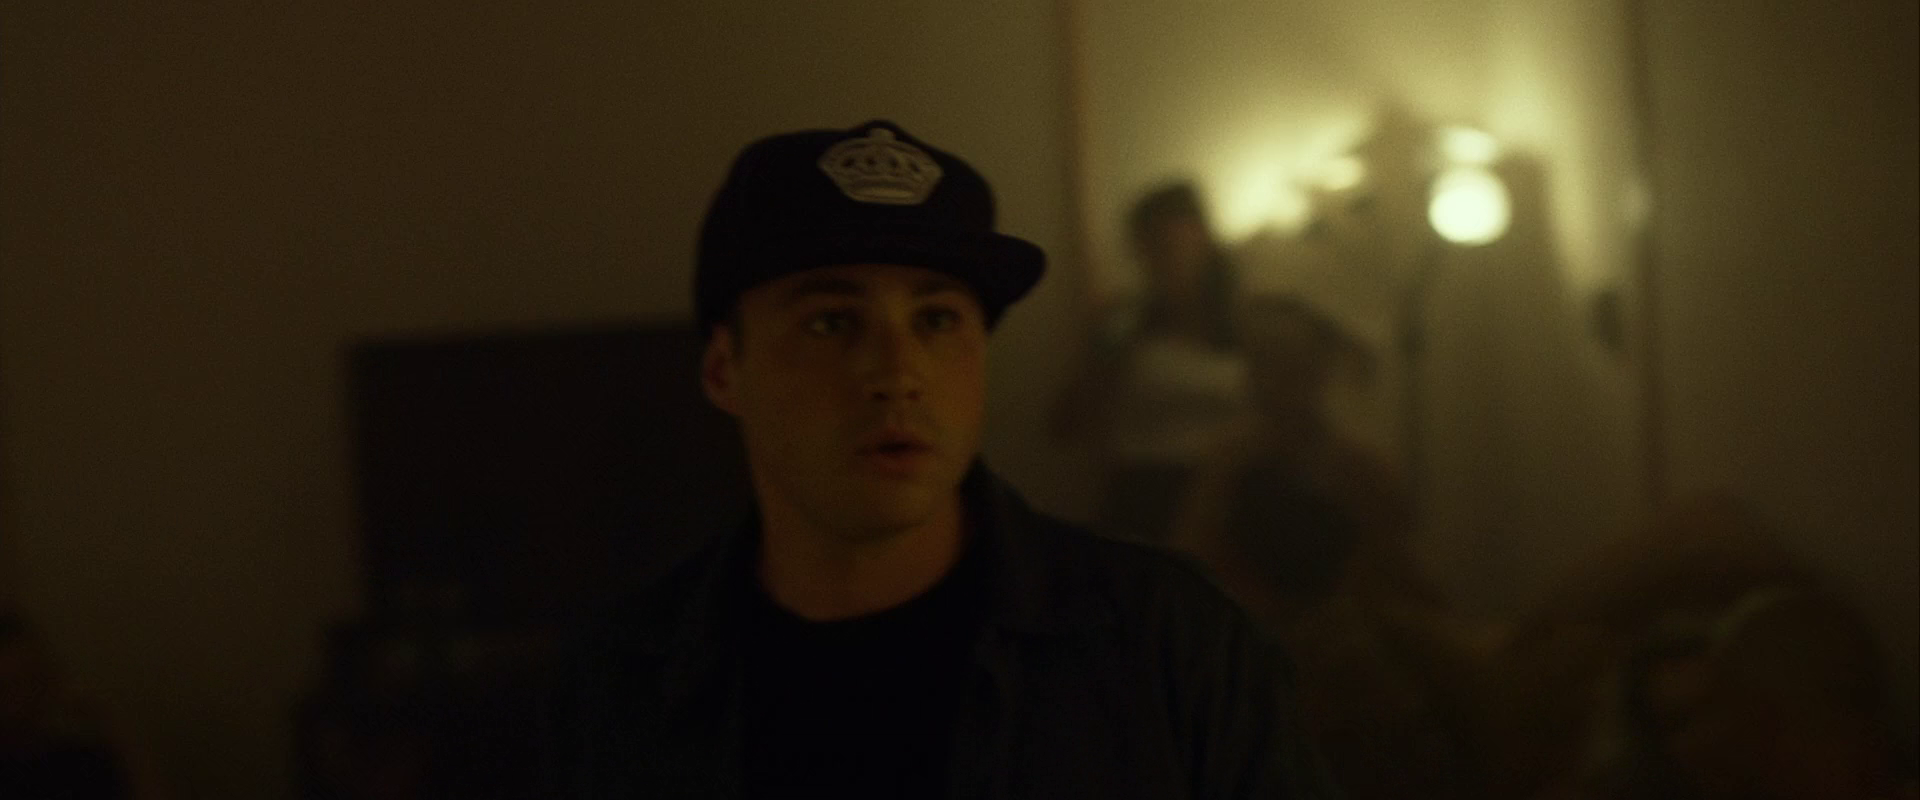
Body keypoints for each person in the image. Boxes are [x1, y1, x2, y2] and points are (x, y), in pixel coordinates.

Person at [539, 120, 1336, 799]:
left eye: (937, 321)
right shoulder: (616, 687)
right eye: (831, 322)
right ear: (724, 370)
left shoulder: (1174, 650)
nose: (898, 373)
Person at [1051, 181, 1254, 544]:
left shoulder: (1248, 325)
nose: (1162, 262)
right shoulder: (1124, 327)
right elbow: (1065, 424)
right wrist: (1099, 351)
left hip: (1235, 493)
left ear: (1203, 240)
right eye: (1148, 251)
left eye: (1170, 246)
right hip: (1145, 494)